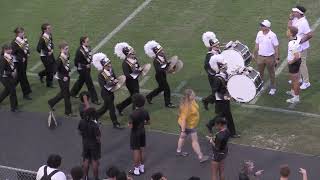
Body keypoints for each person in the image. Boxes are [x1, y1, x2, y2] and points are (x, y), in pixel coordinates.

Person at [205, 55, 239, 138]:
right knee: (227, 116)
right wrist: (225, 97)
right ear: (220, 67)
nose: (226, 66)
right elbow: (214, 92)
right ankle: (232, 133)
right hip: (221, 101)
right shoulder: (217, 79)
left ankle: (210, 124)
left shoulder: (225, 74)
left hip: (225, 98)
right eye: (224, 65)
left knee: (223, 115)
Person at [176, 89, 209, 163]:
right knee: (194, 141)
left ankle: (178, 151)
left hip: (187, 124)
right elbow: (184, 120)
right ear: (189, 96)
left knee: (182, 137)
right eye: (193, 94)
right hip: (189, 126)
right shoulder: (186, 107)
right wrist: (183, 131)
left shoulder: (191, 101)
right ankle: (201, 156)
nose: (194, 95)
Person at [92, 53, 122, 129]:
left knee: (105, 107)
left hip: (111, 92)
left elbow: (114, 78)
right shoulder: (101, 74)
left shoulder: (111, 70)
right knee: (111, 108)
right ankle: (115, 123)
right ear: (104, 66)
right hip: (106, 94)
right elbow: (103, 86)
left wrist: (116, 81)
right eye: (107, 64)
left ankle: (94, 115)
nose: (110, 65)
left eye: (109, 63)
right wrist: (113, 83)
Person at [144, 40, 175, 108]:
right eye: (160, 51)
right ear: (157, 53)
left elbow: (166, 64)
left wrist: (170, 66)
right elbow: (158, 69)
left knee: (161, 88)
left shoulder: (163, 56)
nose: (162, 51)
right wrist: (165, 67)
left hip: (163, 74)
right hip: (159, 76)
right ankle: (168, 103)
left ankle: (149, 96)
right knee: (167, 89)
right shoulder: (156, 61)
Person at [288, 5, 313, 90]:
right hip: (295, 46)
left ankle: (306, 82)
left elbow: (310, 34)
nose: (293, 13)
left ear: (299, 13)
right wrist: (290, 19)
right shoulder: (295, 19)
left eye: (294, 12)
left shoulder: (304, 22)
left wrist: (300, 42)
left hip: (301, 47)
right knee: (296, 64)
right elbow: (290, 28)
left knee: (302, 64)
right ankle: (298, 79)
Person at [70, 36, 100, 105]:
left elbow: (89, 57)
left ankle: (72, 93)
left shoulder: (88, 47)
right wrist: (85, 66)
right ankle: (94, 99)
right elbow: (76, 62)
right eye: (87, 41)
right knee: (90, 84)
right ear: (82, 42)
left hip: (87, 68)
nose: (88, 43)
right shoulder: (79, 51)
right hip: (83, 70)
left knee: (80, 81)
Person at [48, 41, 75, 117]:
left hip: (66, 77)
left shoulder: (67, 55)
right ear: (61, 49)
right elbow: (54, 70)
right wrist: (63, 77)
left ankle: (51, 102)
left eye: (68, 48)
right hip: (63, 79)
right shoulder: (59, 59)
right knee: (66, 95)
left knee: (63, 93)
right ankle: (68, 112)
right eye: (66, 49)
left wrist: (67, 73)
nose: (67, 50)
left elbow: (66, 65)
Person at [114, 42, 142, 115]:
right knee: (136, 97)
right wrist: (136, 73)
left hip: (135, 80)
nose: (133, 54)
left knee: (133, 97)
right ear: (128, 54)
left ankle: (120, 106)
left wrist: (140, 69)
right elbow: (127, 75)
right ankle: (135, 113)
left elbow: (138, 66)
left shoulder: (134, 58)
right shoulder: (125, 63)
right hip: (130, 83)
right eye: (131, 53)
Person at [254, 20, 279, 95]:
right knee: (260, 73)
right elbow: (257, 44)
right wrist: (254, 53)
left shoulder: (273, 35)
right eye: (261, 25)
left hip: (270, 57)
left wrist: (277, 58)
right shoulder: (259, 33)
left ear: (267, 27)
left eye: (262, 26)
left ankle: (273, 87)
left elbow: (276, 47)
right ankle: (261, 86)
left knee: (271, 73)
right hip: (260, 57)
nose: (261, 27)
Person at [128, 93, 150, 176]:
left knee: (136, 151)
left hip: (135, 134)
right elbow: (148, 122)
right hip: (142, 132)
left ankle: (136, 169)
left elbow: (131, 126)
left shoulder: (132, 114)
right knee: (141, 150)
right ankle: (141, 167)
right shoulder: (145, 111)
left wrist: (130, 124)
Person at [78, 107, 101, 180]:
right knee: (95, 161)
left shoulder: (81, 122)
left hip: (85, 144)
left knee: (86, 160)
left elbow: (79, 132)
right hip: (94, 145)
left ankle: (85, 177)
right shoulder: (94, 125)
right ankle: (96, 178)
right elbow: (98, 137)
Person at [201, 31, 221, 110]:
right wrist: (215, 73)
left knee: (218, 92)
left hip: (219, 74)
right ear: (212, 46)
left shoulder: (218, 51)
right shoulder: (209, 55)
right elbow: (206, 67)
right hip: (214, 77)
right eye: (216, 46)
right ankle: (207, 101)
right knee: (216, 93)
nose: (218, 46)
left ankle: (207, 101)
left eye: (218, 45)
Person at [11, 27, 32, 100]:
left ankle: (11, 87)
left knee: (20, 76)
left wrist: (28, 53)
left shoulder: (24, 38)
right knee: (22, 76)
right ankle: (26, 93)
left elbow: (26, 47)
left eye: (23, 32)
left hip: (24, 60)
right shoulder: (14, 42)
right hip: (18, 62)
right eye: (22, 32)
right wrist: (20, 58)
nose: (23, 33)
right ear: (17, 33)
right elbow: (13, 53)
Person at [0, 44, 19, 112]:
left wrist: (14, 70)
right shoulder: (3, 58)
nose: (11, 50)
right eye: (9, 49)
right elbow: (1, 71)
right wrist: (11, 73)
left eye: (11, 49)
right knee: (12, 91)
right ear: (5, 50)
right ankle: (14, 108)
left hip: (9, 77)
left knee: (7, 91)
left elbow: (11, 65)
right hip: (4, 78)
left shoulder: (9, 56)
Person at [286, 26, 302, 104]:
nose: (287, 31)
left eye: (288, 30)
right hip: (297, 62)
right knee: (294, 79)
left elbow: (296, 56)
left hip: (294, 63)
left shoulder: (292, 43)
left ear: (291, 33)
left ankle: (296, 97)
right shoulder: (297, 37)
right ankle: (293, 92)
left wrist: (291, 62)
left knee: (295, 81)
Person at [37, 23, 55, 88]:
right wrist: (47, 53)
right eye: (49, 28)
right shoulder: (42, 38)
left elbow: (51, 43)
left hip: (50, 54)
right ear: (44, 30)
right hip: (45, 56)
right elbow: (38, 48)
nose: (50, 29)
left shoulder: (49, 34)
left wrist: (52, 49)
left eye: (50, 28)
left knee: (52, 68)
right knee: (50, 69)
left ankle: (41, 74)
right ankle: (49, 83)